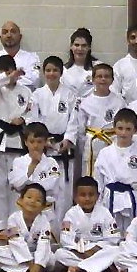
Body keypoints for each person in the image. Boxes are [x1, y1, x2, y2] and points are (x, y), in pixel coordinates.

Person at [0, 54, 32, 222]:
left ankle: (16, 221)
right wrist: (5, 78)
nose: (9, 75)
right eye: (4, 72)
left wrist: (24, 119)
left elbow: (31, 112)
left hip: (18, 139)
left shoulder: (25, 91)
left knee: (16, 182)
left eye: (11, 71)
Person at [61, 63, 125, 178]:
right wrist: (70, 140)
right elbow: (77, 126)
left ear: (112, 80)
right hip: (91, 144)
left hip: (112, 142)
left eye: (106, 76)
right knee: (91, 176)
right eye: (99, 76)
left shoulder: (119, 101)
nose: (103, 79)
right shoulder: (84, 102)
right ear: (93, 79)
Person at [94, 108, 137, 231]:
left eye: (128, 129)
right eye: (120, 128)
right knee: (111, 234)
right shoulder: (105, 153)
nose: (123, 133)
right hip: (110, 198)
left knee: (131, 234)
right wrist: (97, 206)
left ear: (135, 130)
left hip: (133, 199)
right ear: (114, 128)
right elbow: (98, 181)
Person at [0, 183, 54, 272]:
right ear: (20, 200)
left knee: (52, 260)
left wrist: (37, 266)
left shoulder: (44, 221)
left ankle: (30, 269)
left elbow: (44, 245)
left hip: (37, 254)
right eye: (29, 197)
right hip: (18, 253)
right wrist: (31, 267)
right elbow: (16, 243)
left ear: (43, 206)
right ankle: (27, 270)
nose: (33, 201)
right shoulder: (13, 219)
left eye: (38, 200)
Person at [54, 176, 122, 272]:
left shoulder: (104, 212)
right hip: (80, 252)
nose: (87, 198)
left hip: (99, 250)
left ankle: (80, 267)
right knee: (59, 254)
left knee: (116, 250)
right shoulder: (71, 214)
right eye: (83, 195)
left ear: (98, 196)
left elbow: (113, 238)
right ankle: (101, 266)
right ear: (75, 197)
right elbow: (66, 240)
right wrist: (82, 252)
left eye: (91, 195)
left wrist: (94, 250)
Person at [28, 55, 79, 183]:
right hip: (43, 145)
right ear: (43, 72)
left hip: (63, 143)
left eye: (55, 70)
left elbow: (74, 120)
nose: (51, 73)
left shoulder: (70, 94)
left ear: (61, 73)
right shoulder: (37, 95)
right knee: (44, 182)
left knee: (64, 185)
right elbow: (33, 120)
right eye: (48, 70)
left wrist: (68, 139)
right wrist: (42, 140)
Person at [7, 122, 63, 231]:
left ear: (45, 142)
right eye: (32, 141)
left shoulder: (52, 163)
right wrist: (32, 167)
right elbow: (16, 184)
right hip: (22, 213)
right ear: (25, 142)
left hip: (45, 212)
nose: (35, 145)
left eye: (39, 142)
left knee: (46, 245)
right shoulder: (18, 162)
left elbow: (49, 187)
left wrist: (26, 186)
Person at [0, 21, 41, 91]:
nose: (9, 35)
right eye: (5, 32)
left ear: (20, 37)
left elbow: (34, 82)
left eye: (13, 32)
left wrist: (0, 80)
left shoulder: (32, 58)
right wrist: (15, 77)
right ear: (0, 38)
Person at [62, 27, 100, 97]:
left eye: (84, 45)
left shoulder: (99, 68)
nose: (80, 49)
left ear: (89, 47)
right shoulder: (63, 70)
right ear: (71, 46)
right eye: (76, 45)